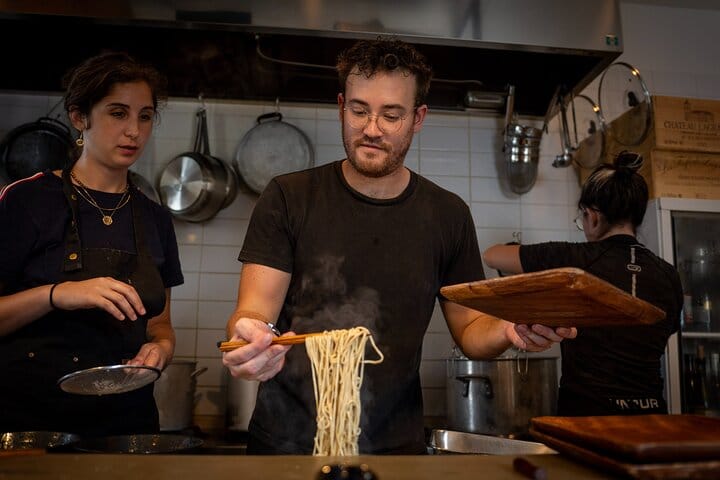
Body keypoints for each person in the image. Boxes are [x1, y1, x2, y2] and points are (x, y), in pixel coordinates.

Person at [222, 37, 575, 454]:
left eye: (391, 115)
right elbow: (252, 314)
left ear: (418, 117)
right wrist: (249, 339)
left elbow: (471, 330)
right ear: (341, 106)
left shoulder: (448, 215)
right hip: (284, 446)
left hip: (395, 449)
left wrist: (509, 328)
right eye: (359, 110)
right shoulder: (288, 197)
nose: (372, 129)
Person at [0, 52, 183, 436]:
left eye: (145, 116)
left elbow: (160, 325)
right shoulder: (26, 201)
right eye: (118, 113)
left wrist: (162, 350)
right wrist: (57, 293)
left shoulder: (155, 218)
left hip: (125, 425)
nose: (134, 130)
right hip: (32, 426)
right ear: (80, 118)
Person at [483, 151, 683, 416]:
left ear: (593, 216)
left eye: (583, 219)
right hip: (651, 419)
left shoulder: (572, 259)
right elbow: (666, 329)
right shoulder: (668, 274)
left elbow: (492, 255)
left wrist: (529, 259)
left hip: (586, 418)